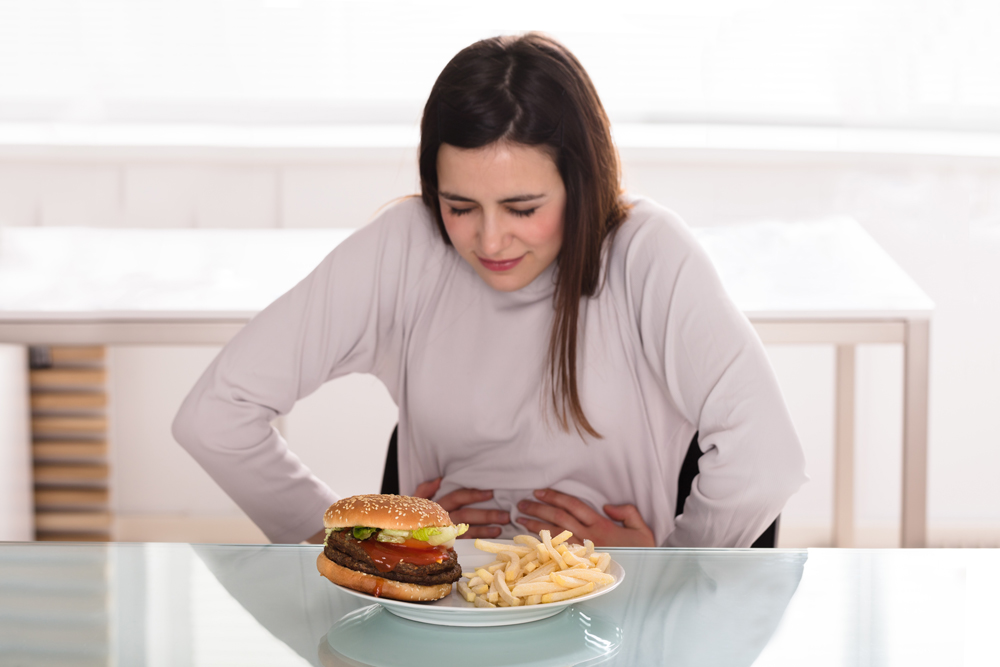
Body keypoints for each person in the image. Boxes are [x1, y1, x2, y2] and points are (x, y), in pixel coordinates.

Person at [172, 33, 806, 548]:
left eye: (523, 208)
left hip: (613, 615)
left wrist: (670, 571)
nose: (491, 241)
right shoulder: (407, 243)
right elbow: (215, 416)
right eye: (460, 206)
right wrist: (357, 544)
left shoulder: (646, 250)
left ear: (579, 186)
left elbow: (766, 459)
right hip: (443, 614)